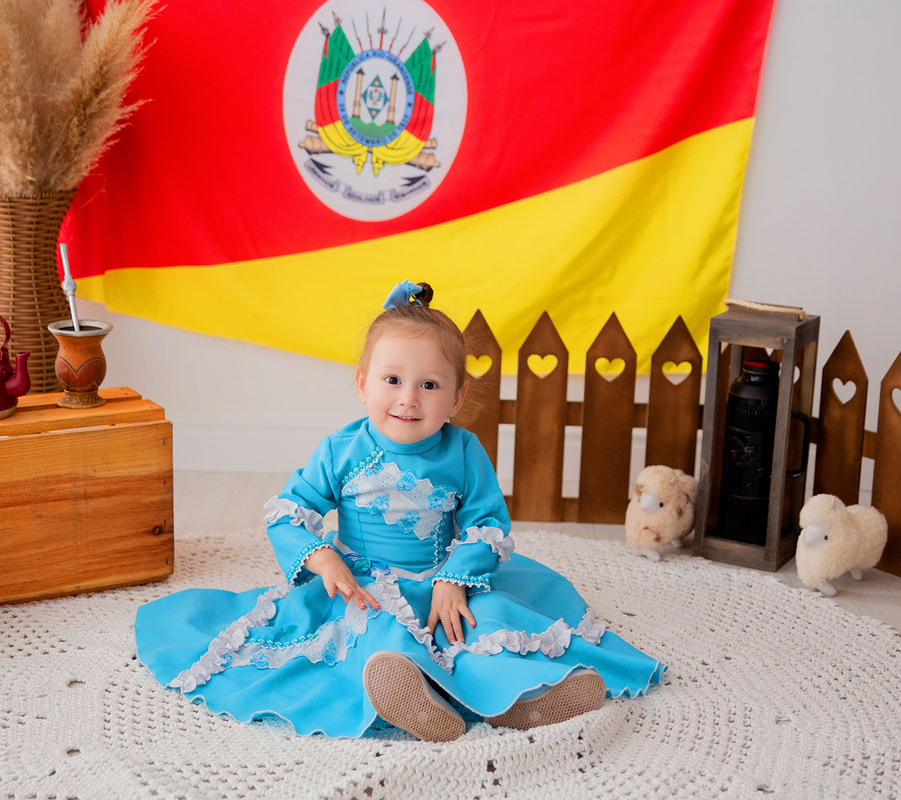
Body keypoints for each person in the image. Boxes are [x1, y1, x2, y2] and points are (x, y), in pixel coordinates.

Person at [135, 281, 665, 741]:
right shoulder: (341, 451)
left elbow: (486, 523)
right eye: (392, 380)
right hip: (362, 582)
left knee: (481, 625)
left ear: (455, 399)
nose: (408, 398)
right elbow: (289, 510)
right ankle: (414, 697)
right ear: (363, 383)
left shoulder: (462, 451)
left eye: (429, 385)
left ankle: (518, 704)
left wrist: (456, 578)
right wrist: (322, 559)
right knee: (380, 630)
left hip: (441, 579)